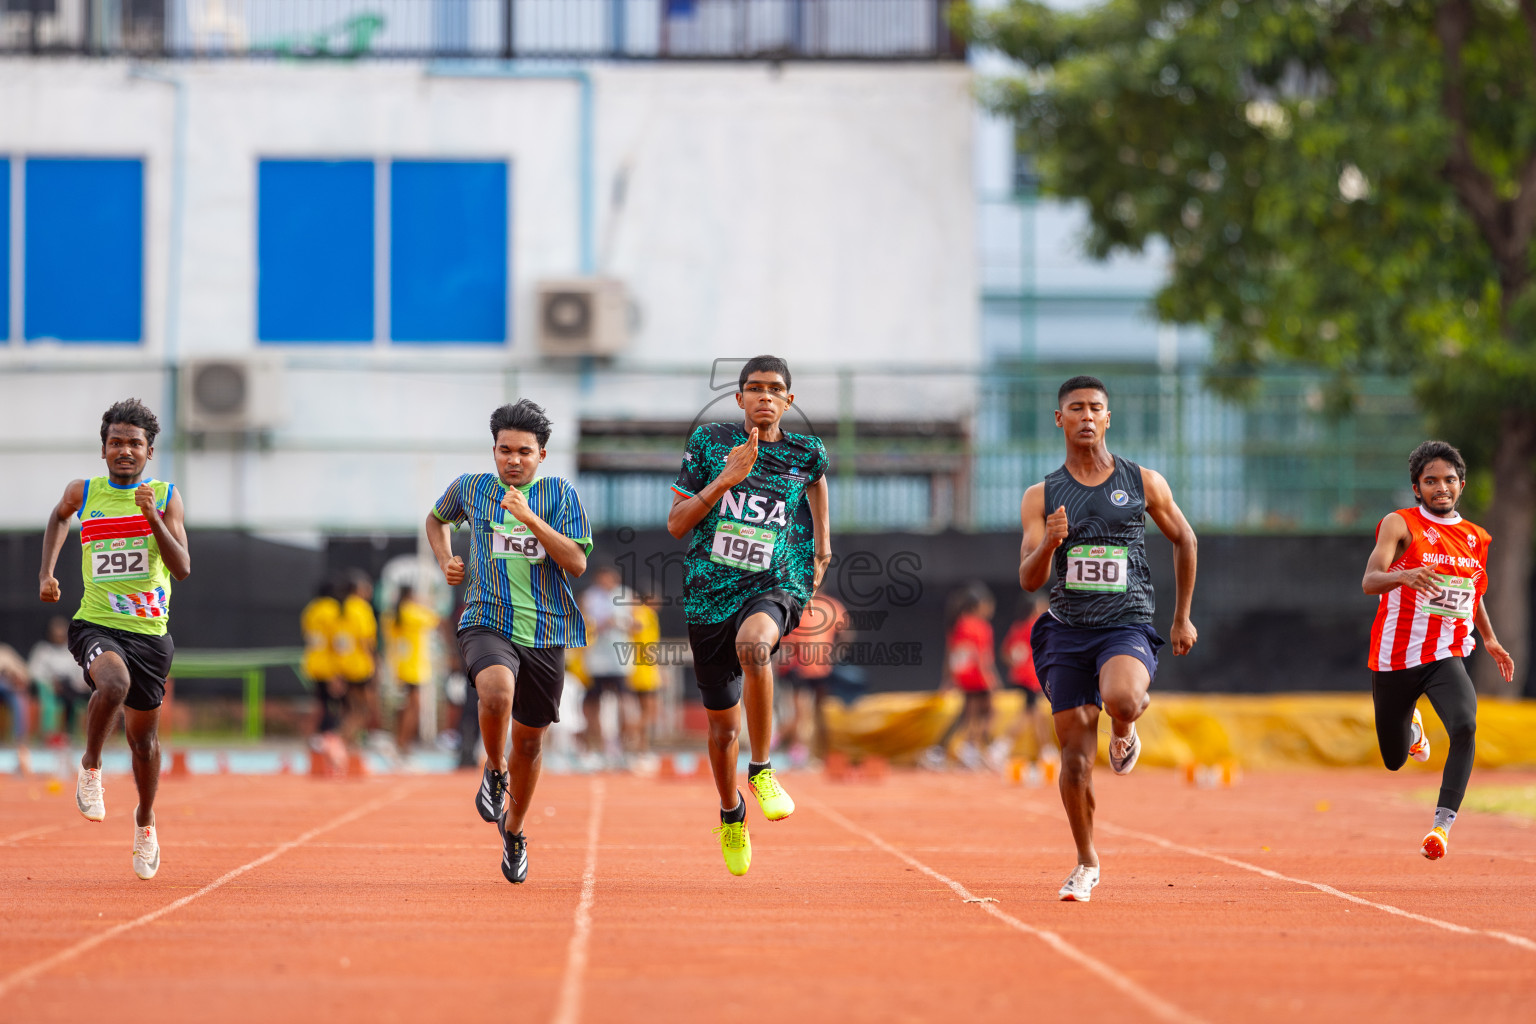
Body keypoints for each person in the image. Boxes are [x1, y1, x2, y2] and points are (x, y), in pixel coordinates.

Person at [1018, 376, 1198, 902]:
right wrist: (1050, 543)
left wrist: (1182, 617)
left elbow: (1185, 539)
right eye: (1076, 408)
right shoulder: (1041, 495)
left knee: (1121, 698)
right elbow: (1028, 578)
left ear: (1108, 418)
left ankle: (1124, 728)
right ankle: (1086, 862)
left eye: (1096, 408)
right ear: (1060, 419)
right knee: (1075, 759)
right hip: (1067, 629)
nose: (1087, 416)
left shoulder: (1142, 481)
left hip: (1125, 622)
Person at [667, 354, 831, 876]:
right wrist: (725, 480)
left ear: (789, 400)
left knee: (756, 646)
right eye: (755, 388)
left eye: (775, 389)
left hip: (774, 581)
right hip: (708, 595)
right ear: (739, 398)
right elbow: (676, 524)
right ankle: (731, 812)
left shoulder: (807, 452)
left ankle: (761, 769)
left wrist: (822, 545)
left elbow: (816, 480)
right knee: (721, 731)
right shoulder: (710, 442)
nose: (765, 396)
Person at [425, 399, 592, 884]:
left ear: (542, 455)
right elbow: (436, 520)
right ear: (494, 450)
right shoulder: (471, 488)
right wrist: (445, 560)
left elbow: (577, 563)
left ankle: (515, 831)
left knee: (531, 742)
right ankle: (495, 770)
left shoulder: (560, 494)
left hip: (545, 629)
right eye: (504, 450)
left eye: (523, 451)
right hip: (487, 617)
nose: (513, 460)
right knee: (496, 692)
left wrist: (529, 518)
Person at [37, 398, 191, 880]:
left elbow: (182, 568)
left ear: (149, 452)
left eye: (135, 444)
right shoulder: (83, 492)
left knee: (144, 743)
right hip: (96, 623)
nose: (125, 450)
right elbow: (59, 516)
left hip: (150, 635)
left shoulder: (165, 497)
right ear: (103, 449)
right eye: (116, 442)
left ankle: (145, 820)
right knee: (113, 683)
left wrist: (152, 518)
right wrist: (47, 572)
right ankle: (91, 766)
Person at [1361, 440, 1513, 860]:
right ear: (1417, 487)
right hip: (1394, 657)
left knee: (1465, 725)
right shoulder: (1399, 524)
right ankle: (1413, 729)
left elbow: (1472, 593)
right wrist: (1404, 575)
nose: (1441, 487)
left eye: (1449, 480)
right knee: (1394, 760)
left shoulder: (1476, 538)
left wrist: (1489, 638)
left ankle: (1441, 827)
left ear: (1461, 485)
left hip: (1445, 653)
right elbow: (1370, 581)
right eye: (1431, 481)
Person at [778, 591, 850, 765]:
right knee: (802, 713)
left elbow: (846, 632)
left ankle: (820, 753)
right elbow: (787, 641)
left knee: (819, 713)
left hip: (819, 668)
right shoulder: (798, 606)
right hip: (800, 668)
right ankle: (797, 752)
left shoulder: (829, 606)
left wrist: (835, 655)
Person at [996, 592, 1057, 782]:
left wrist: (1017, 665)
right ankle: (1000, 748)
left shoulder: (1018, 626)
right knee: (1030, 714)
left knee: (1035, 714)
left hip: (1022, 676)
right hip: (1031, 677)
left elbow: (1006, 652)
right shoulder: (1036, 625)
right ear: (1035, 607)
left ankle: (1046, 751)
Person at [578, 565, 633, 763]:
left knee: (625, 700)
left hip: (619, 658)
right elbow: (583, 622)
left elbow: (634, 624)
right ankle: (597, 746)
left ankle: (625, 746)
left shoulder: (625, 595)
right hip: (596, 659)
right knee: (593, 703)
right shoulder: (590, 596)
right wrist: (598, 625)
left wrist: (618, 623)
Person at [944, 584, 1002, 770]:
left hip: (964, 675)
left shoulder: (959, 624)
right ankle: (972, 748)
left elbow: (952, 654)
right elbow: (982, 656)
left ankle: (970, 749)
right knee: (989, 713)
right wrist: (991, 679)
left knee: (971, 714)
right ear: (980, 605)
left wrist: (950, 678)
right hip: (977, 676)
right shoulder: (981, 626)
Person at [301, 579, 348, 770]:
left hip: (313, 662)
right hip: (329, 666)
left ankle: (312, 743)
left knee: (319, 704)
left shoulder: (311, 610)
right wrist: (338, 671)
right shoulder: (332, 610)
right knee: (335, 707)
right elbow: (337, 641)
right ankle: (329, 746)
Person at [390, 585, 440, 755]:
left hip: (403, 666)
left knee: (408, 706)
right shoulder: (410, 612)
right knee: (414, 707)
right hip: (413, 668)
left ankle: (401, 742)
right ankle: (402, 743)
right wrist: (424, 603)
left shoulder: (398, 613)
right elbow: (433, 619)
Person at [335, 571, 380, 744]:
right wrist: (375, 663)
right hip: (360, 666)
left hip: (344, 665)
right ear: (357, 589)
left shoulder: (341, 608)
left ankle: (348, 745)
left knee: (351, 709)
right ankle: (340, 741)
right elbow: (366, 640)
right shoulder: (361, 608)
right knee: (364, 710)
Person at [30, 616, 88, 742]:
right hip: (49, 688)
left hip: (70, 687)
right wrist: (51, 683)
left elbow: (80, 673)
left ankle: (70, 734)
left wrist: (79, 684)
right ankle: (50, 735)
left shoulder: (73, 650)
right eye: (56, 632)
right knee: (66, 696)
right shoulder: (43, 650)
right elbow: (35, 672)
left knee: (74, 695)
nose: (59, 636)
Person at [625, 590, 664, 760]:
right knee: (650, 711)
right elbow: (638, 628)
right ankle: (629, 736)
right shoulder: (645, 613)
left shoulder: (639, 612)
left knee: (644, 711)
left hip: (639, 668)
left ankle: (642, 747)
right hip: (644, 670)